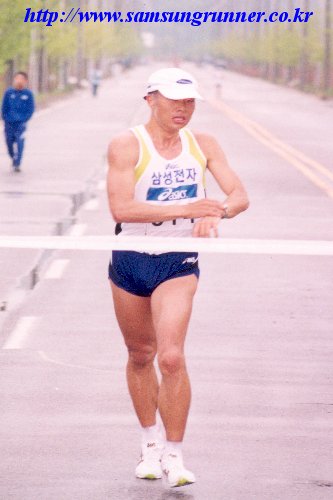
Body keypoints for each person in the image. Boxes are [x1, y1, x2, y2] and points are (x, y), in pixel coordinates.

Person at [107, 67, 249, 488]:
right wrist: (191, 209)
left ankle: (175, 455)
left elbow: (239, 195)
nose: (183, 109)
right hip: (131, 254)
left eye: (189, 102)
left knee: (170, 357)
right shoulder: (126, 144)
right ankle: (149, 442)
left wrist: (218, 212)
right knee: (139, 354)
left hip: (178, 259)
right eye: (174, 101)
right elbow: (122, 209)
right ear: (151, 99)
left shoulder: (203, 144)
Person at [1, 71, 35, 172]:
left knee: (20, 142)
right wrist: (4, 118)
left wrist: (24, 119)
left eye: (21, 79)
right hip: (9, 123)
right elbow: (4, 107)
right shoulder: (9, 92)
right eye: (17, 78)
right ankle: (13, 157)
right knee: (9, 142)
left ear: (25, 81)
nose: (18, 81)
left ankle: (17, 163)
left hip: (20, 123)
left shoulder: (28, 94)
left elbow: (31, 108)